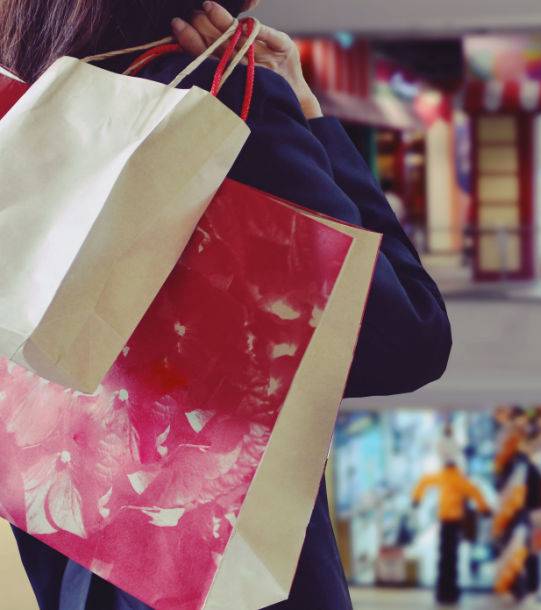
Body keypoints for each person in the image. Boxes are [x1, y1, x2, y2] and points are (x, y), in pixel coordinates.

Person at [1, 2, 452, 609]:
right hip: (209, 563)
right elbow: (406, 340)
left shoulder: (33, 103)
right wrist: (309, 113)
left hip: (78, 552)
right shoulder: (227, 107)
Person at [412, 462, 491, 605]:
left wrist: (416, 498)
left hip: (444, 522)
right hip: (455, 523)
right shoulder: (460, 479)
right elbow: (475, 491)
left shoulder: (441, 476)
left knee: (443, 558)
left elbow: (423, 481)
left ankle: (442, 593)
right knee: (452, 558)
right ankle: (451, 592)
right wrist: (484, 509)